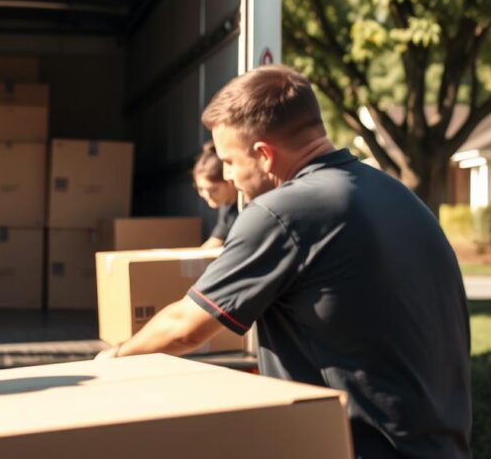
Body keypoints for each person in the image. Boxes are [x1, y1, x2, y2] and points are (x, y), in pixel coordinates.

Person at [97, 66, 471, 459]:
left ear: (263, 155)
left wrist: (114, 359)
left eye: (228, 160)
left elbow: (186, 328)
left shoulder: (283, 212)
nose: (227, 174)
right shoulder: (395, 194)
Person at [193, 140, 238, 249]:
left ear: (229, 181)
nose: (207, 196)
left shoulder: (247, 205)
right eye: (200, 189)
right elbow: (216, 240)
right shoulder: (226, 206)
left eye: (214, 190)